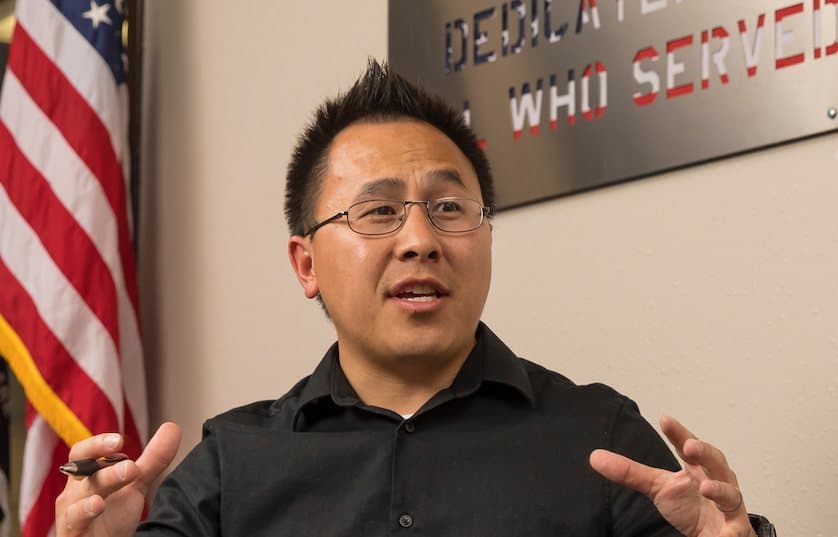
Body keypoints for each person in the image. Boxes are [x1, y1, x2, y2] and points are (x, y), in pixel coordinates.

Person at [55, 61, 775, 537]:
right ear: (306, 263)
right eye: (377, 212)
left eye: (450, 207)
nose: (421, 239)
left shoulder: (600, 439)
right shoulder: (231, 464)